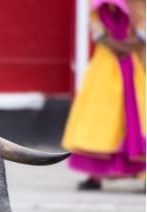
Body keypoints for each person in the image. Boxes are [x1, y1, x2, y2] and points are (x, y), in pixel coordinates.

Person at [62, 0, 145, 190]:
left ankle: (139, 172)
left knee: (105, 115)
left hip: (126, 57)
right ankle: (96, 174)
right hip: (115, 57)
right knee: (107, 116)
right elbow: (98, 31)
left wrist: (126, 44)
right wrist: (124, 45)